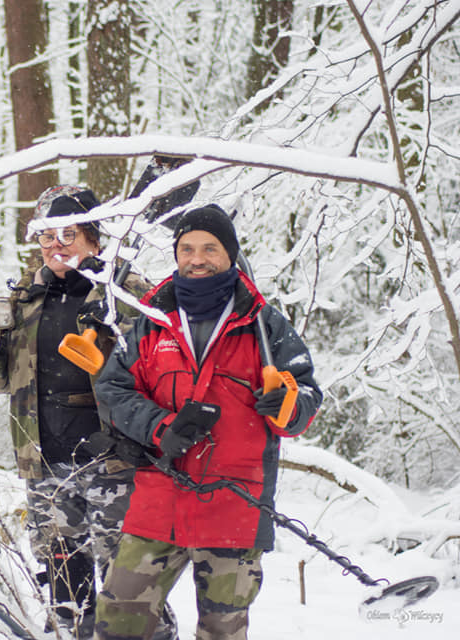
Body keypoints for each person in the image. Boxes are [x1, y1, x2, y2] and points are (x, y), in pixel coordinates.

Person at [93, 204, 323, 640]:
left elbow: (307, 394)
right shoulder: (151, 321)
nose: (197, 259)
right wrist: (159, 427)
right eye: (187, 248)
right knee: (118, 622)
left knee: (222, 631)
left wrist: (288, 405)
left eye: (210, 248)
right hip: (159, 500)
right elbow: (112, 389)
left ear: (230, 254)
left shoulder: (265, 324)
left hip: (235, 504)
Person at [0, 185, 176, 639]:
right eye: (47, 236)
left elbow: (164, 370)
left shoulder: (128, 292)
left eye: (68, 234)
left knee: (133, 592)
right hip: (47, 466)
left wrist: (116, 327)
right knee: (65, 595)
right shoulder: (26, 298)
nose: (56, 245)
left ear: (94, 239)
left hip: (115, 464)